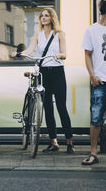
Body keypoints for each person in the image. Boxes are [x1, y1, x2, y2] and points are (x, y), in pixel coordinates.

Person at [12, 8, 74, 154]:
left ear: (52, 18)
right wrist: (19, 54)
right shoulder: (37, 35)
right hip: (44, 73)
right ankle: (54, 142)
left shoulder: (59, 34)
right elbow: (30, 50)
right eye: (42, 16)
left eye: (47, 16)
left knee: (61, 107)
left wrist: (60, 55)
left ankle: (70, 142)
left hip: (57, 72)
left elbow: (65, 53)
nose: (44, 18)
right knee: (47, 108)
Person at [82, 0, 106, 165]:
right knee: (96, 118)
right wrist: (92, 76)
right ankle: (93, 153)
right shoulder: (92, 30)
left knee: (96, 118)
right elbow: (87, 55)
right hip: (100, 81)